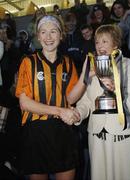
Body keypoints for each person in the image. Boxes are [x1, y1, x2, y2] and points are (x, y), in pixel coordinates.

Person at [15, 15, 88, 180]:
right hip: (36, 133)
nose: (48, 37)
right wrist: (60, 111)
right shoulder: (28, 62)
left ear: (61, 35)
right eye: (44, 32)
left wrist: (85, 76)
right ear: (38, 36)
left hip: (63, 133)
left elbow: (70, 99)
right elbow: (25, 103)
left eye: (53, 31)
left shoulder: (68, 63)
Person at [73, 24, 130, 180]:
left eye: (104, 41)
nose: (99, 46)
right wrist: (78, 114)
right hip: (97, 137)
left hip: (124, 135)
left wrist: (115, 90)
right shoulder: (91, 70)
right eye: (97, 42)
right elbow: (86, 102)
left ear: (115, 44)